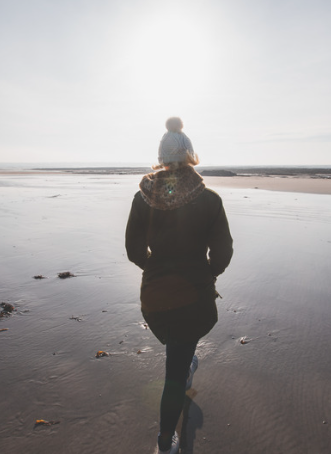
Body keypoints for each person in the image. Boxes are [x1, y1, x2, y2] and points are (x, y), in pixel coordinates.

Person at [125, 117, 234, 454]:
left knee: (178, 348)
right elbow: (223, 253)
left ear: (160, 156)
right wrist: (208, 274)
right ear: (190, 156)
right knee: (175, 368)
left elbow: (132, 250)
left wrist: (155, 268)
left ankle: (186, 363)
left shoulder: (142, 198)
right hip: (193, 296)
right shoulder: (210, 200)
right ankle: (164, 442)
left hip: (154, 296)